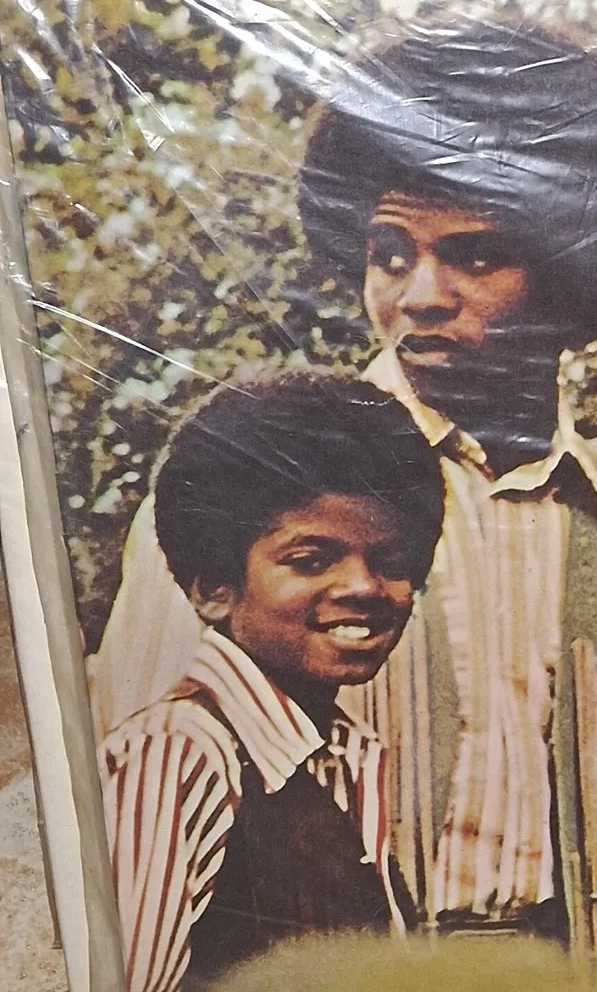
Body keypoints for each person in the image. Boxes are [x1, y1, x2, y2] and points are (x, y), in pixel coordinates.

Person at [89, 19, 597, 986]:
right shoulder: (244, 482)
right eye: (391, 252)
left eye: (475, 256)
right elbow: (130, 832)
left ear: (568, 272)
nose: (422, 294)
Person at [99, 372, 446, 992]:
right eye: (310, 561)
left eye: (391, 561)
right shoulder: (178, 753)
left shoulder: (336, 753)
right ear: (215, 588)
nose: (364, 586)